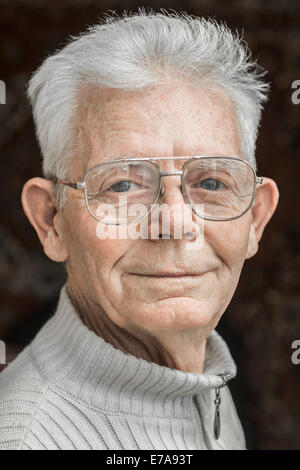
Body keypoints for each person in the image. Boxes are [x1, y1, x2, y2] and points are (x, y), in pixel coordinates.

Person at [0, 10, 279, 450]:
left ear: (255, 218)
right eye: (123, 185)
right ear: (51, 220)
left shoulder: (205, 377)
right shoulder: (27, 438)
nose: (174, 223)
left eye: (212, 182)